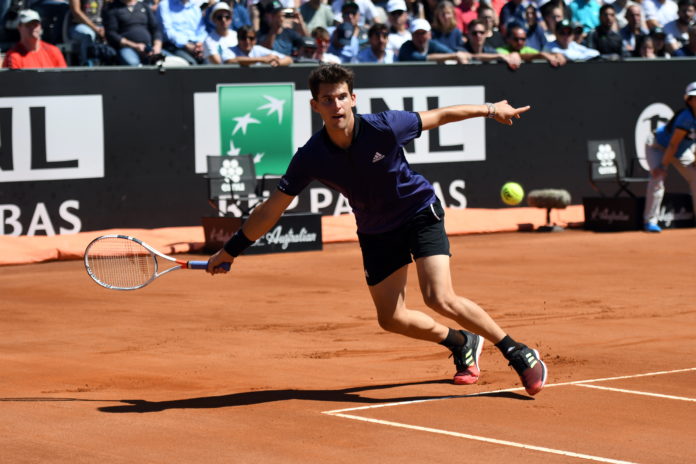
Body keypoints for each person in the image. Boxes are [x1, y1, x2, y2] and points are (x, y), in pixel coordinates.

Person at [206, 64, 548, 396]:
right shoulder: (310, 156)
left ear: (353, 98)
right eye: (327, 99)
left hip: (417, 210)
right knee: (391, 318)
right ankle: (461, 342)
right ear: (315, 105)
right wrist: (231, 250)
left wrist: (491, 109)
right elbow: (271, 209)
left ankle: (517, 352)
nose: (335, 105)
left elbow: (441, 115)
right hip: (376, 229)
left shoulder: (385, 126)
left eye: (341, 97)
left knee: (438, 296)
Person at [643, 81, 696, 232]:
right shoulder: (685, 118)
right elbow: (673, 144)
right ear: (689, 100)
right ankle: (649, 221)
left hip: (680, 150)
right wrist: (663, 166)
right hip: (658, 147)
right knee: (657, 178)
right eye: (695, 97)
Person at [102, 0, 163, 66]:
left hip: (149, 47)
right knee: (133, 64)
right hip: (126, 48)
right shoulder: (112, 9)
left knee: (168, 62)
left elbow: (156, 29)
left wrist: (157, 46)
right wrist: (135, 46)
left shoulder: (144, 6)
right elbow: (111, 34)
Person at [2, 9, 67, 68]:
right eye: (28, 24)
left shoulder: (53, 51)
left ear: (40, 26)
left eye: (36, 24)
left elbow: (63, 77)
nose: (33, 28)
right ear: (19, 27)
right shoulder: (13, 56)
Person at [398, 17, 471, 62]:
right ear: (411, 35)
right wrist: (454, 56)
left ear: (429, 34)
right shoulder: (406, 47)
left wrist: (458, 55)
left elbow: (449, 52)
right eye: (416, 33)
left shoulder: (433, 44)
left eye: (423, 33)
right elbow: (421, 58)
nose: (420, 37)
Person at [157, 0, 207, 64]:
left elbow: (201, 30)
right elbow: (167, 31)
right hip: (174, 46)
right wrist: (186, 45)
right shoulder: (164, 5)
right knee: (192, 64)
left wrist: (199, 44)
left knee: (208, 61)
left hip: (195, 46)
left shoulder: (194, 7)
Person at [496, 22, 566, 66]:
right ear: (509, 39)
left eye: (523, 39)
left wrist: (556, 55)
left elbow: (540, 55)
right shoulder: (500, 50)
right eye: (516, 39)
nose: (519, 42)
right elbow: (506, 56)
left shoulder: (528, 50)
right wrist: (540, 55)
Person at [228, 24, 292, 65]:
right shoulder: (230, 50)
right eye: (243, 38)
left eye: (251, 38)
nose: (247, 41)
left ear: (255, 40)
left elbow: (289, 59)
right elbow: (232, 60)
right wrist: (262, 59)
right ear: (238, 39)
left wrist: (278, 63)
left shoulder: (257, 49)